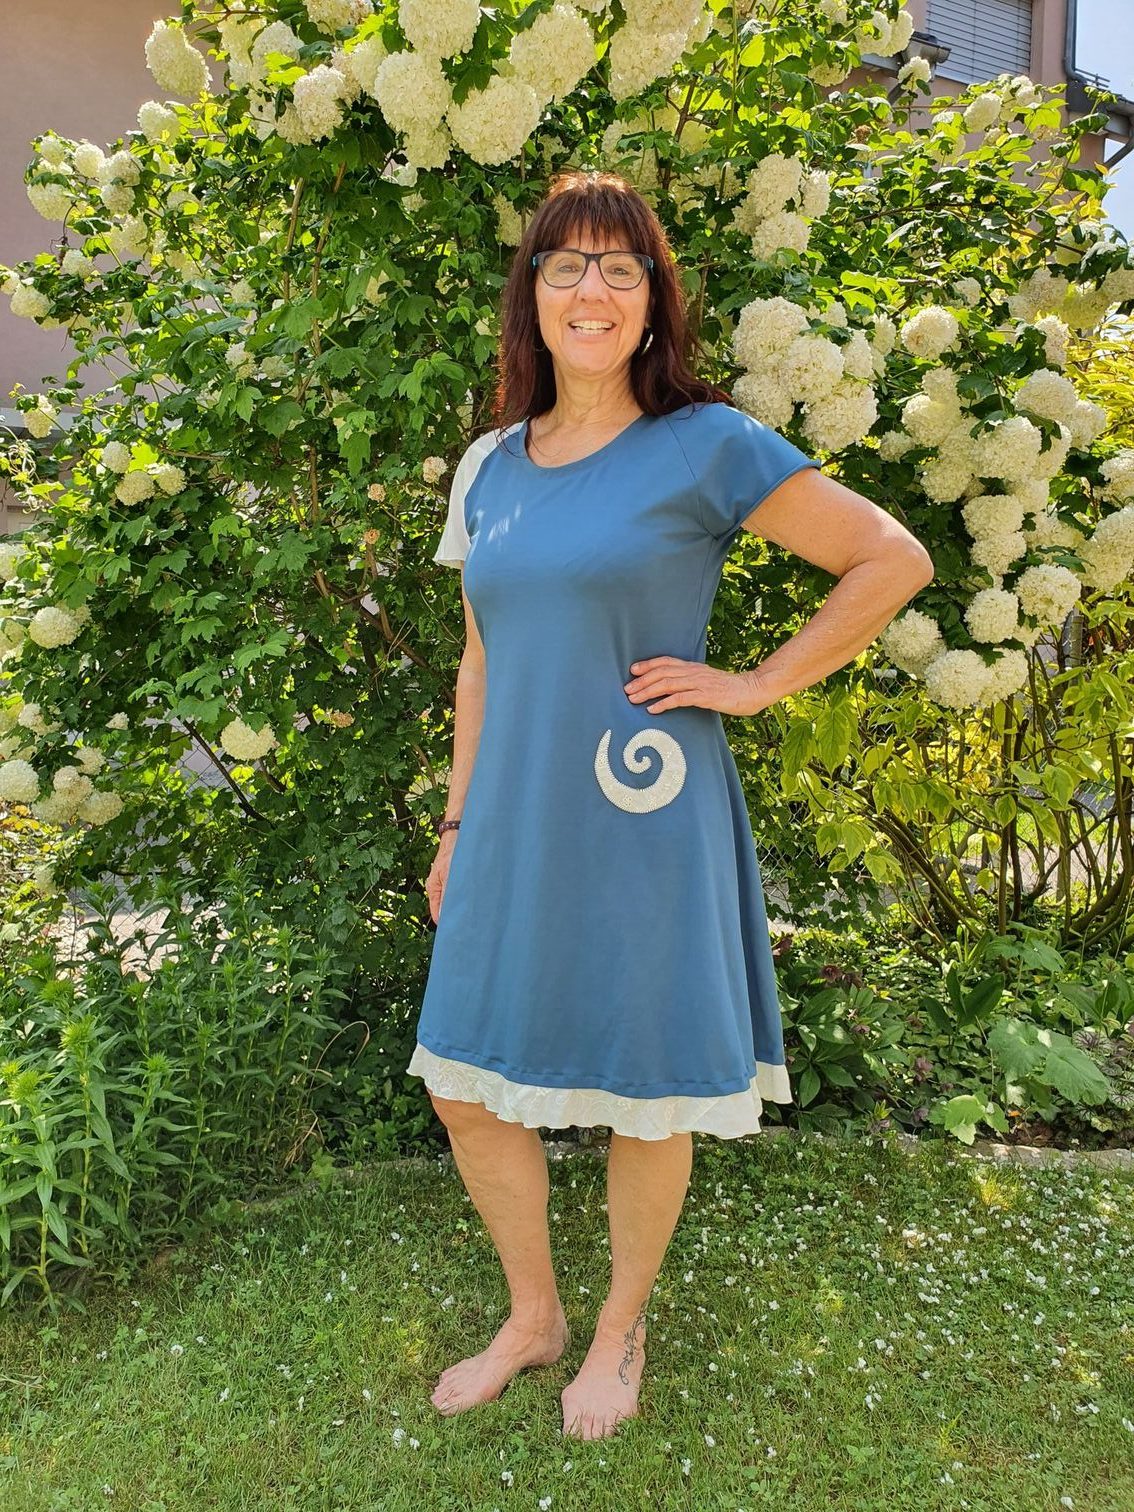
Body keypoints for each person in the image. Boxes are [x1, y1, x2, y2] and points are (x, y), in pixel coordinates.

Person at [407, 169, 934, 1441]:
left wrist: (755, 684)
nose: (591, 289)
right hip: (512, 819)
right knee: (463, 1083)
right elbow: (480, 662)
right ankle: (534, 1316)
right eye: (566, 265)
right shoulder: (489, 466)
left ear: (653, 301)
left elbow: (890, 557)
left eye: (619, 267)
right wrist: (457, 825)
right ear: (532, 295)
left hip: (646, 814)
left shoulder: (705, 443)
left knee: (647, 1087)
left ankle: (620, 1330)